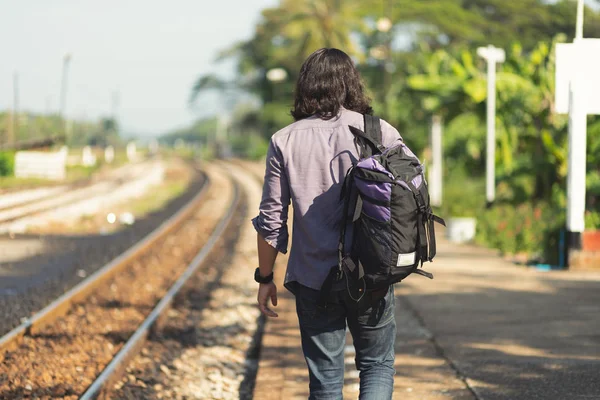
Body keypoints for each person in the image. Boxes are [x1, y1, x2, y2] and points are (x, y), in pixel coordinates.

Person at [252, 48, 402, 400]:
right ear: (352, 84)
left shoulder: (284, 140)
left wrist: (265, 278)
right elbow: (410, 192)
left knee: (325, 382)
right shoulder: (380, 131)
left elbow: (272, 221)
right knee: (377, 365)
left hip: (313, 278)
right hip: (372, 273)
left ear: (305, 88)